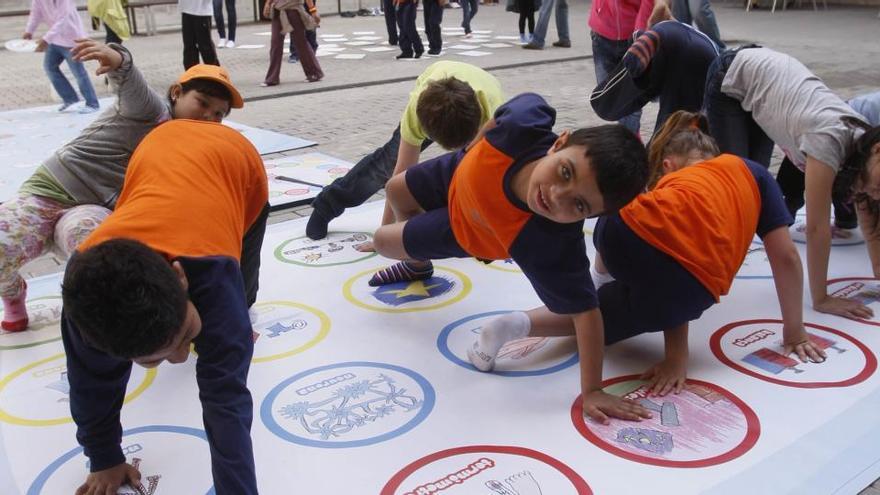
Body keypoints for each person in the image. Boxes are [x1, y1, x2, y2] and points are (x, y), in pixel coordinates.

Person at [468, 111, 826, 422]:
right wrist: (793, 332)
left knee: (601, 301)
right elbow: (785, 256)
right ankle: (526, 321)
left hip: (621, 230)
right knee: (621, 311)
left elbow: (670, 239)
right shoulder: (751, 172)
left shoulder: (676, 182)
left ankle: (563, 297)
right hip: (687, 287)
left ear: (667, 164)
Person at [61, 118, 268, 495]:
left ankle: (241, 308)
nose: (178, 358)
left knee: (242, 290)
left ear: (180, 277)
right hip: (155, 153)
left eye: (187, 334)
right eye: (151, 361)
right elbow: (89, 380)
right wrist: (104, 456)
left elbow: (226, 402)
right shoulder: (83, 293)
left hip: (237, 161)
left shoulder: (215, 273)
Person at [0, 41, 258, 333]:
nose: (209, 117)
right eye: (203, 103)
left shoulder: (198, 146)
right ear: (176, 93)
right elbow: (131, 83)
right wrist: (119, 60)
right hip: (52, 190)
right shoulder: (151, 111)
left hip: (96, 209)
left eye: (219, 115)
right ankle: (13, 294)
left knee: (99, 254)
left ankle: (102, 326)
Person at [704, 46, 880, 321]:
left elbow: (871, 223)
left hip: (769, 78)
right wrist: (821, 299)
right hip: (733, 76)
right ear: (878, 150)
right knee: (736, 182)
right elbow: (816, 227)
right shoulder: (829, 140)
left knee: (754, 181)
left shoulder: (865, 152)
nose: (877, 193)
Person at [305, 61, 504, 239]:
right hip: (438, 92)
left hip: (480, 100)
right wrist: (385, 234)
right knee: (386, 164)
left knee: (475, 170)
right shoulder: (417, 114)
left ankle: (455, 216)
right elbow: (398, 177)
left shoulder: (495, 120)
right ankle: (327, 205)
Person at [590, 18, 718, 136]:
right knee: (679, 124)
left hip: (690, 56)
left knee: (675, 130)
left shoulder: (656, 39)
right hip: (698, 49)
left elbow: (648, 42)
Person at [587, 0, 655, 134]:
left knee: (629, 99)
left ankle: (631, 140)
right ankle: (630, 137)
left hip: (631, 36)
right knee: (608, 95)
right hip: (602, 34)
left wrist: (640, 33)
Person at [24, 0, 100, 113]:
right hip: (55, 40)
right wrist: (29, 31)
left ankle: (92, 104)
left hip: (73, 39)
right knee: (50, 67)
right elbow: (35, 14)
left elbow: (63, 20)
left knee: (78, 73)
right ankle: (70, 99)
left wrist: (45, 39)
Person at [262, 0, 323, 85]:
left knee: (300, 42)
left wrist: (313, 10)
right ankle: (272, 78)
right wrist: (267, 3)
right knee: (275, 43)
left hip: (294, 9)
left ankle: (314, 73)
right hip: (278, 9)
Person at [179, 0, 220, 69]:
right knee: (189, 47)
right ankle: (192, 75)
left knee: (205, 47)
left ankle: (215, 74)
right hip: (186, 10)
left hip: (201, 11)